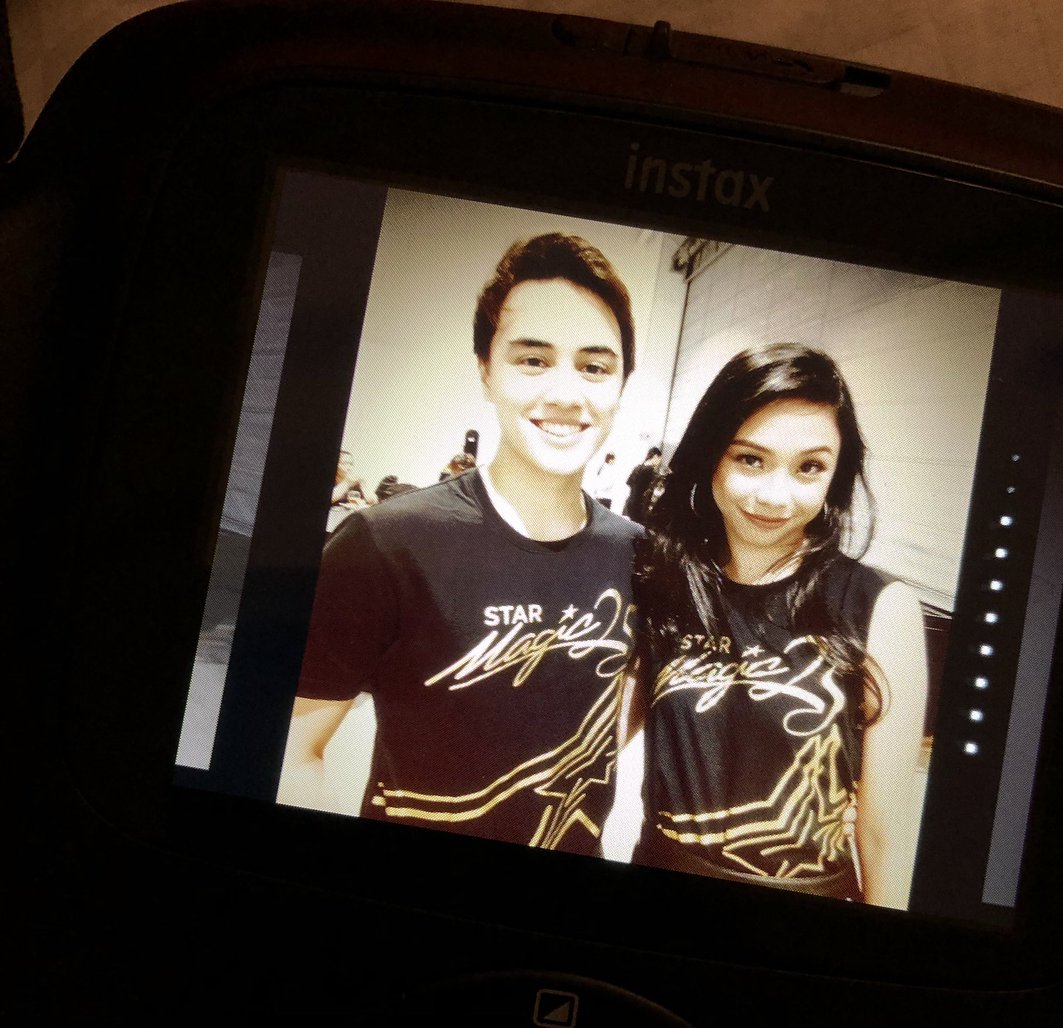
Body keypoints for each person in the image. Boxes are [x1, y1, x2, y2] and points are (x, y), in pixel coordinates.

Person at [278, 233, 640, 857]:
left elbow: (607, 728)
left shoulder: (642, 558)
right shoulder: (387, 543)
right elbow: (292, 750)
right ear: (486, 370)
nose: (566, 393)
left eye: (594, 366)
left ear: (621, 383)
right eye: (534, 360)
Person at [630, 345, 927, 907]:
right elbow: (595, 737)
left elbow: (885, 837)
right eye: (750, 459)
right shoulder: (662, 584)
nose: (775, 496)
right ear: (711, 456)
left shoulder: (880, 607)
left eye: (809, 467)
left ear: (836, 475)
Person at [622, 446, 662, 524]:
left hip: (628, 504)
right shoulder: (650, 471)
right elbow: (649, 491)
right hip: (638, 507)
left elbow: (628, 482)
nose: (659, 462)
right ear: (655, 456)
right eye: (660, 459)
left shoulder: (637, 467)